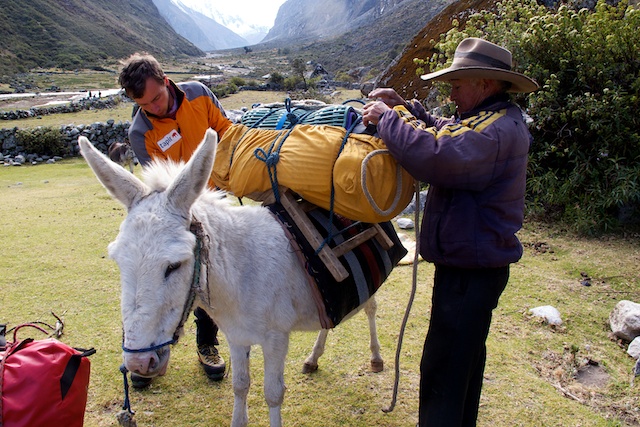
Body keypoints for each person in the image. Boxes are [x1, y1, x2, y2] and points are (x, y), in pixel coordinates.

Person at [362, 38, 539, 426]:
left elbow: (438, 155)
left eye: (459, 85)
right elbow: (447, 131)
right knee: (463, 365)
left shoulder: (493, 132)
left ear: (485, 84)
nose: (453, 93)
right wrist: (405, 108)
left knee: (443, 369)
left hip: (468, 275)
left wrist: (387, 117)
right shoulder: (494, 119)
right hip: (473, 268)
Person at [118, 52, 233, 388]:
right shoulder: (141, 131)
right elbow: (155, 180)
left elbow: (227, 133)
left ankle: (206, 344)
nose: (153, 107)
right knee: (148, 280)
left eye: (156, 97)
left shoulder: (198, 94)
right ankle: (140, 351)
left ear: (166, 80)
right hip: (171, 213)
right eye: (144, 104)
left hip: (212, 203)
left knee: (206, 280)